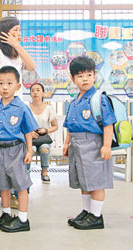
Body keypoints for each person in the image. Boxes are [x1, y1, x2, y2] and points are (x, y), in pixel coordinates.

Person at [0, 16, 36, 208]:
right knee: (2, 153)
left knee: (20, 150)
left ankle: (19, 190)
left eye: (19, 30)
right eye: (14, 30)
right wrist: (4, 103)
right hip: (0, 107)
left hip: (18, 106)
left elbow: (31, 67)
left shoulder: (17, 53)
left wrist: (17, 45)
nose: (18, 34)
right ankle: (6, 194)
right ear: (3, 33)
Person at [64, 56, 116, 230]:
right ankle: (86, 211)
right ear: (72, 79)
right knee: (84, 181)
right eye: (79, 75)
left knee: (96, 182)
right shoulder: (74, 101)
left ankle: (96, 216)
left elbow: (108, 124)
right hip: (77, 145)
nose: (84, 78)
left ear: (95, 76)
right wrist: (66, 144)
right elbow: (69, 126)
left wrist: (106, 145)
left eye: (88, 74)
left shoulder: (98, 99)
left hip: (93, 145)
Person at [0, 66, 38, 233]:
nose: (5, 87)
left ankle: (23, 219)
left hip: (16, 150)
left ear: (18, 85)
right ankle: (6, 214)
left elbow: (28, 130)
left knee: (20, 185)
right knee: (3, 186)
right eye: (1, 83)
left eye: (9, 83)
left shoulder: (21, 107)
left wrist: (29, 150)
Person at [28, 83, 58, 183]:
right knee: (30, 149)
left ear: (43, 93)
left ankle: (44, 172)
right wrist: (30, 132)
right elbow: (21, 125)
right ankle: (26, 173)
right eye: (33, 90)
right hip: (30, 139)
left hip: (43, 138)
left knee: (44, 148)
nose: (35, 92)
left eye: (38, 90)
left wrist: (46, 130)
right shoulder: (26, 108)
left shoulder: (49, 108)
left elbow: (55, 126)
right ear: (30, 94)